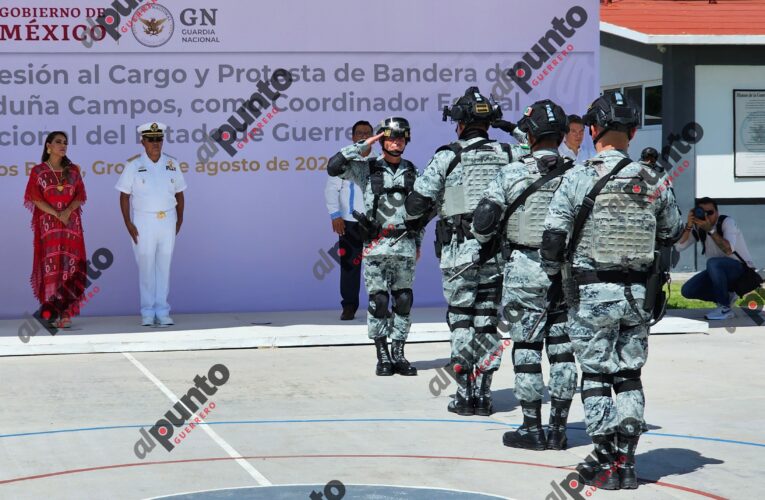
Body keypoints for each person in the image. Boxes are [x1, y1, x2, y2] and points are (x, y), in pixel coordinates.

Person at [540, 92, 682, 490]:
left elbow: (552, 242)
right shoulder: (654, 178)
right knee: (629, 377)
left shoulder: (578, 175)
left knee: (598, 378)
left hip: (591, 294)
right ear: (633, 132)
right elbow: (672, 232)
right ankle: (629, 463)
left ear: (592, 130)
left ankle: (606, 460)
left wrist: (555, 278)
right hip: (638, 296)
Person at [471, 99, 577, 450]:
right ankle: (560, 428)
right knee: (562, 351)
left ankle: (531, 428)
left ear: (529, 134)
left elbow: (482, 223)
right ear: (562, 135)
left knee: (527, 347)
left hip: (524, 271)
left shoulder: (512, 172)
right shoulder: (579, 171)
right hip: (567, 273)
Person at [405, 87, 512, 415]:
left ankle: (464, 394)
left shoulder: (447, 156)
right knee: (488, 322)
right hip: (496, 253)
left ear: (461, 123)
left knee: (462, 321)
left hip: (458, 253)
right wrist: (508, 125)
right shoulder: (511, 154)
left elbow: (414, 206)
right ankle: (486, 393)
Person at [327, 117, 422, 376]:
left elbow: (420, 212)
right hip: (376, 247)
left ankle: (399, 353)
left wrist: (418, 244)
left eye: (401, 137)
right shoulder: (366, 169)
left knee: (403, 301)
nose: (396, 141)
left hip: (404, 245)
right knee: (379, 302)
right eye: (390, 137)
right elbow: (333, 167)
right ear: (382, 140)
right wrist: (364, 143)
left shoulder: (413, 171)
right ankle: (382, 355)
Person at [116, 122, 187, 326]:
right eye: (151, 139)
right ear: (143, 141)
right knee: (146, 266)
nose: (155, 143)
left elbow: (180, 194)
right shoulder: (134, 165)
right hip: (143, 221)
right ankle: (147, 312)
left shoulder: (172, 164)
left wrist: (180, 219)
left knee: (164, 266)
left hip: (167, 219)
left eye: (158, 139)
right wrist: (128, 222)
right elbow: (124, 196)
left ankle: (162, 311)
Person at [24, 131, 87, 329]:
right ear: (48, 146)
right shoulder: (39, 171)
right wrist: (54, 213)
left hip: (71, 226)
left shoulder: (73, 170)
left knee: (69, 267)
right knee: (52, 266)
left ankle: (66, 313)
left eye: (65, 143)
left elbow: (80, 195)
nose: (63, 145)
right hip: (49, 227)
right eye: (58, 142)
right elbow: (34, 197)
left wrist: (67, 211)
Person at [675, 197, 756, 320]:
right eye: (702, 212)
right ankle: (727, 297)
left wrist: (711, 230)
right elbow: (679, 247)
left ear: (717, 213)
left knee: (713, 263)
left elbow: (728, 250)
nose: (707, 216)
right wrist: (689, 226)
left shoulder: (726, 222)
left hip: (741, 270)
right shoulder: (698, 228)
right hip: (717, 270)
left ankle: (724, 308)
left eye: (710, 212)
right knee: (687, 290)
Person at [324, 120, 372, 320]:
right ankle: (349, 306)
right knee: (350, 265)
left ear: (373, 138)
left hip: (374, 223)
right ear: (352, 137)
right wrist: (335, 215)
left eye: (367, 133)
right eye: (359, 133)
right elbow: (331, 189)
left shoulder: (378, 161)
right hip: (349, 222)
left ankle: (378, 305)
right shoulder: (342, 162)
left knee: (378, 266)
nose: (362, 136)